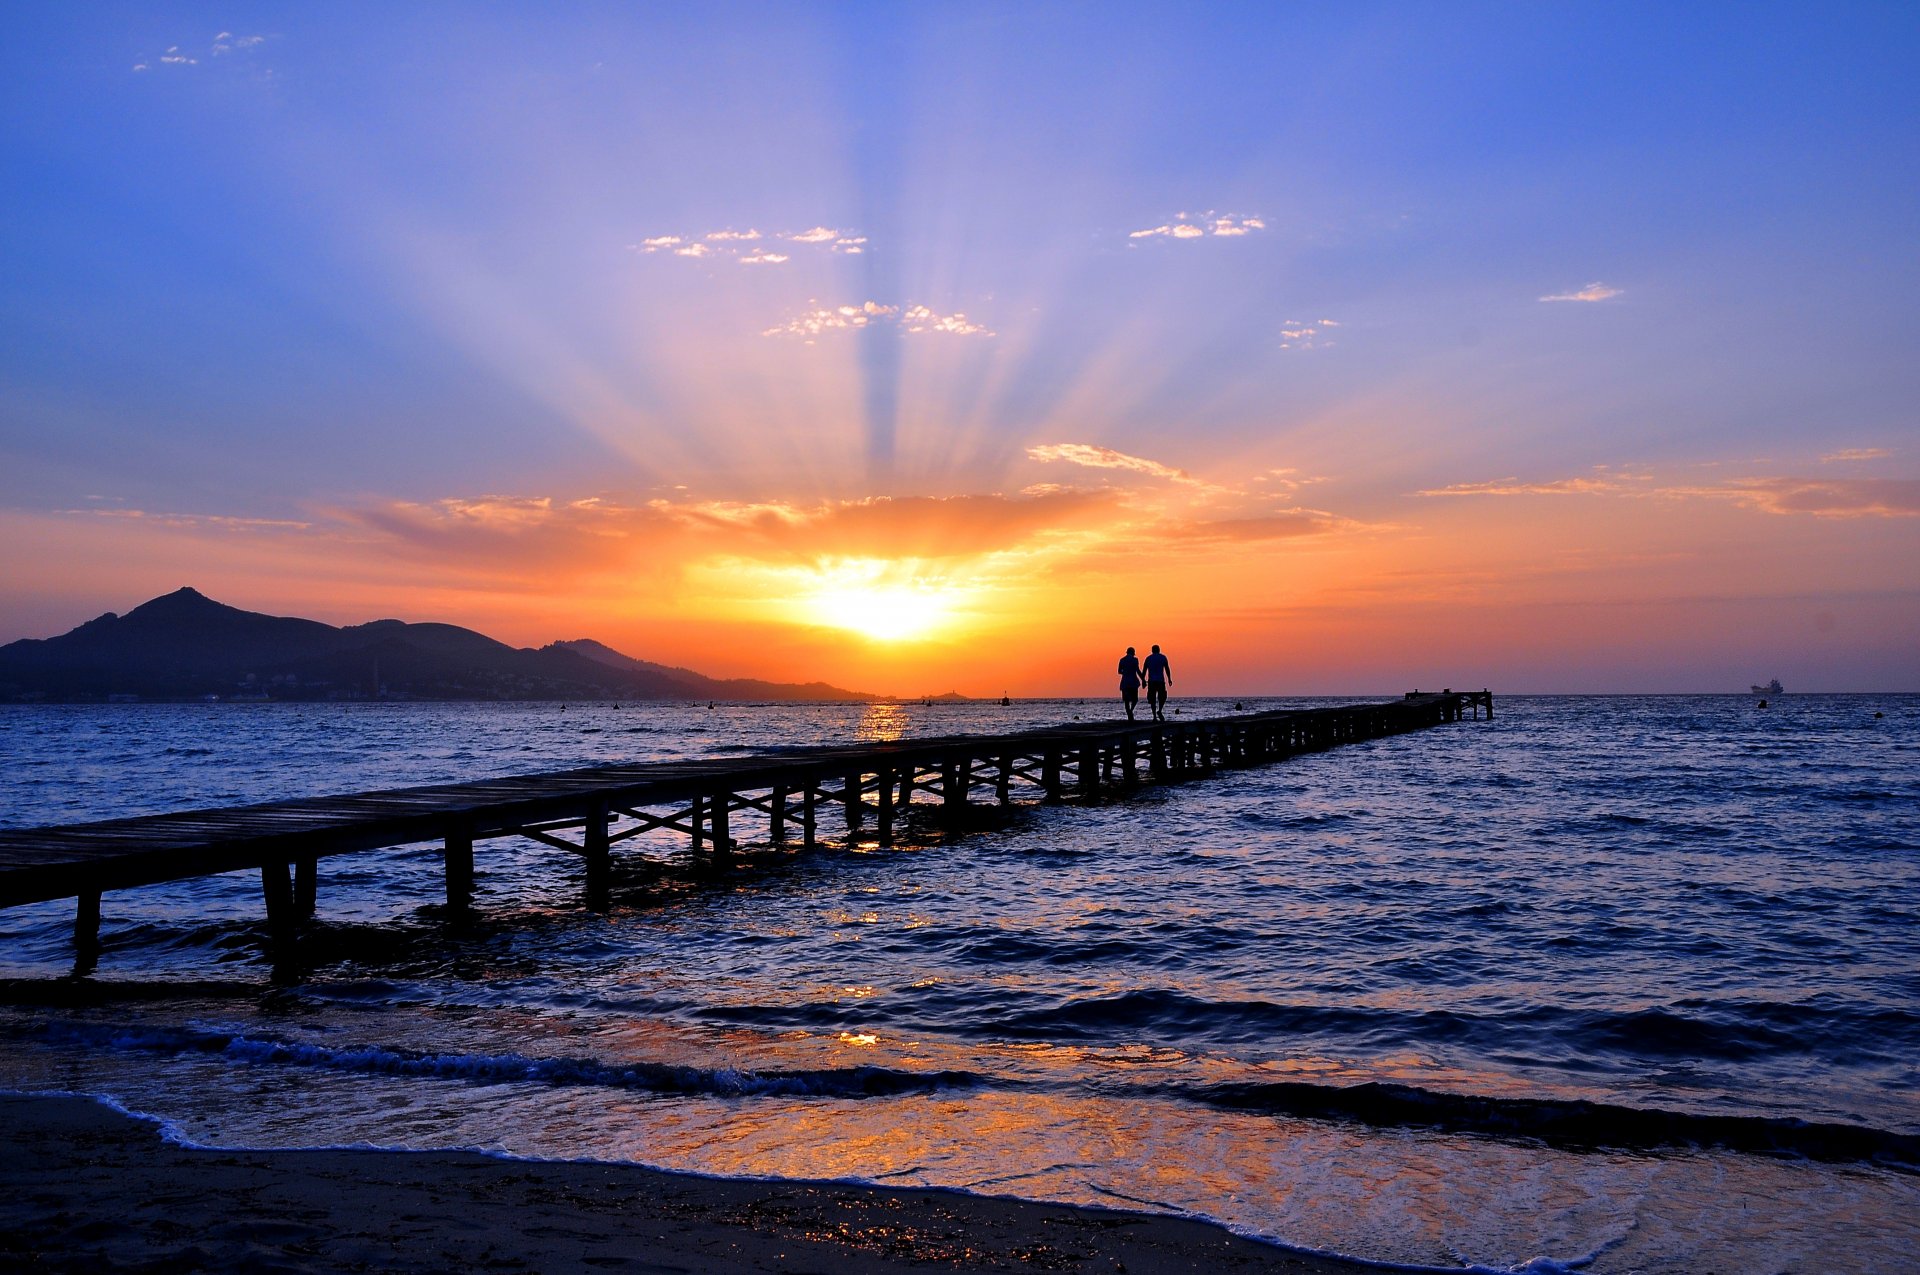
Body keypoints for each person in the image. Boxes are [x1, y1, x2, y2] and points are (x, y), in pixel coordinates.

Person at [1143, 644, 1171, 720]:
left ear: (1152, 650)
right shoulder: (1163, 657)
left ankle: (1154, 716)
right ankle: (1160, 710)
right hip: (1160, 681)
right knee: (1162, 697)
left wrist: (1143, 680)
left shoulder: (1148, 658)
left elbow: (1144, 670)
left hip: (1151, 681)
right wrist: (1169, 679)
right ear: (1159, 650)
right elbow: (1167, 669)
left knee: (1152, 699)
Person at [1116, 647, 1143, 720]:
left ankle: (1129, 713)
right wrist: (1143, 679)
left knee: (1126, 700)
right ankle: (1131, 711)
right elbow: (1138, 670)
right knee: (1135, 699)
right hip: (1133, 681)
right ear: (1133, 653)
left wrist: (1125, 672)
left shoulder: (1122, 660)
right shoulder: (1135, 660)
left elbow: (1119, 671)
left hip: (1125, 681)